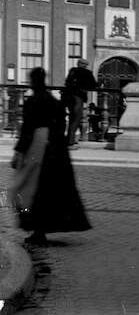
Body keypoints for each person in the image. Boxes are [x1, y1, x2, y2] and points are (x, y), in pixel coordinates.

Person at [9, 67, 91, 245]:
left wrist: (19, 152)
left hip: (36, 149)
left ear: (33, 81)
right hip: (55, 149)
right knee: (50, 191)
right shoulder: (54, 102)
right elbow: (62, 125)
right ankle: (42, 229)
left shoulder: (32, 102)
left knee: (27, 188)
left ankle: (36, 229)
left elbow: (27, 129)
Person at [62, 58, 96, 146]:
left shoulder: (72, 71)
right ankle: (70, 140)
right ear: (84, 65)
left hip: (68, 97)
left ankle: (69, 138)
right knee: (76, 118)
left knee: (71, 118)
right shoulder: (87, 73)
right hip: (79, 97)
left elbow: (67, 82)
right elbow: (93, 85)